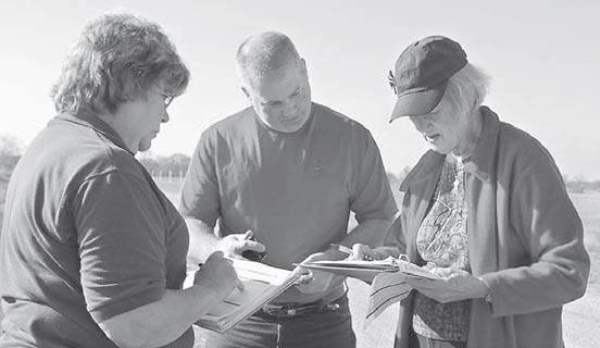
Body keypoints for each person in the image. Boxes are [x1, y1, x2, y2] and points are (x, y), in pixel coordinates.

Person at [0, 14, 241, 348]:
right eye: (164, 95)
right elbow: (135, 326)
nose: (167, 115)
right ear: (129, 84)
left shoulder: (49, 146)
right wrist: (211, 288)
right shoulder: (107, 167)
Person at [353, 35, 590, 348]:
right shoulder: (428, 167)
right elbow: (406, 254)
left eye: (430, 112)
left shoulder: (524, 161)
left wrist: (480, 287)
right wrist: (376, 261)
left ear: (465, 97)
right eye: (413, 115)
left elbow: (569, 271)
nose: (421, 127)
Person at [179, 31, 397, 347]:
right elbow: (191, 224)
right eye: (273, 103)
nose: (290, 109)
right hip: (238, 322)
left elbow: (379, 217)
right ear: (246, 92)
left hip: (324, 321)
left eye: (297, 92)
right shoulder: (218, 141)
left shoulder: (353, 138)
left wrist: (333, 264)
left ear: (305, 69)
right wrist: (218, 249)